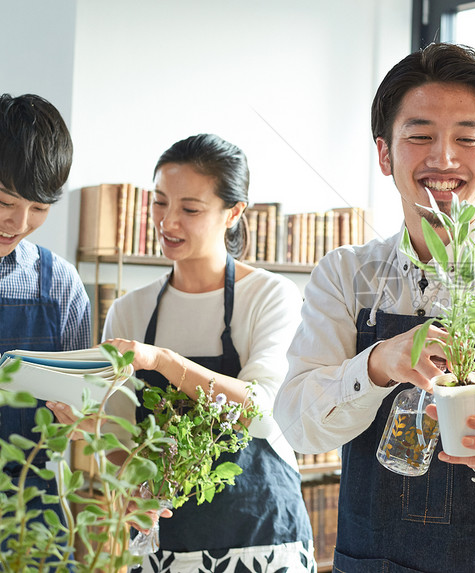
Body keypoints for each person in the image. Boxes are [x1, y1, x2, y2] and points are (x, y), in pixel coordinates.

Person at [275, 43, 475, 573]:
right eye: (419, 135)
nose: (443, 159)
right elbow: (300, 429)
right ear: (384, 153)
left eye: (467, 138)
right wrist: (376, 366)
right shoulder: (345, 275)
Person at [97, 134, 314, 572]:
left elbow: (259, 408)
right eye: (160, 203)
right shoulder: (129, 310)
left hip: (263, 536)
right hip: (163, 539)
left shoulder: (271, 296)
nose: (168, 221)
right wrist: (134, 488)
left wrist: (163, 361)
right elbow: (117, 436)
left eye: (190, 209)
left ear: (234, 213)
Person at [0, 93, 90, 529]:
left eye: (38, 208)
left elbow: (82, 418)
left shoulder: (61, 286)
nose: (18, 224)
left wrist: (80, 418)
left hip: (29, 514)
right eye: (4, 202)